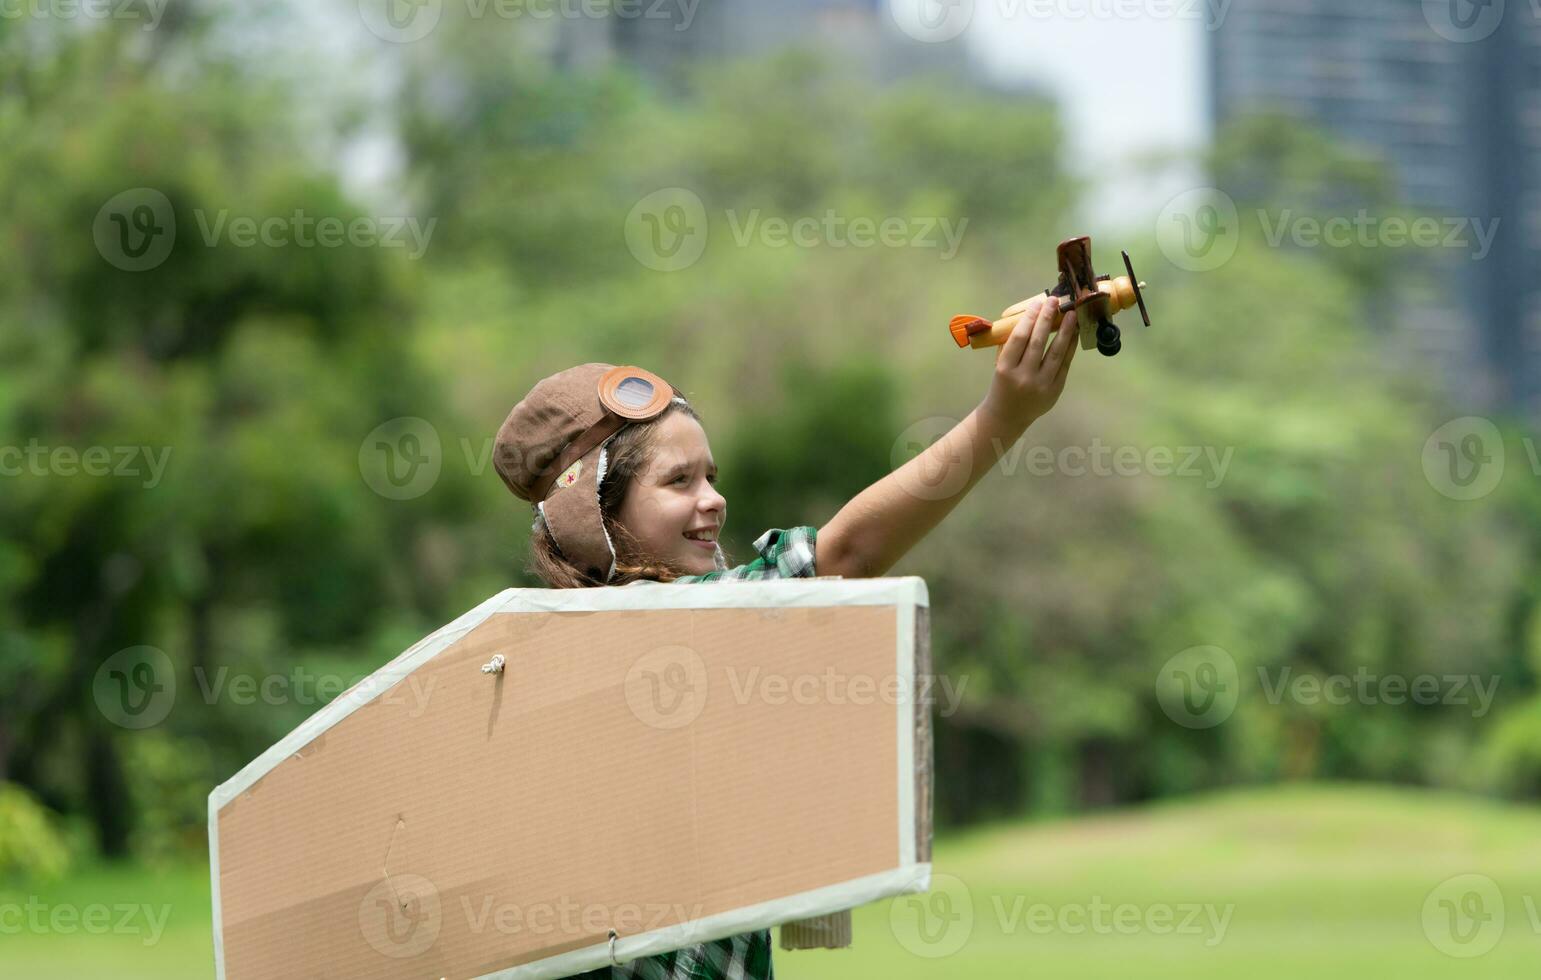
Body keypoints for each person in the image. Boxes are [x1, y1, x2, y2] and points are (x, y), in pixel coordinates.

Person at [490, 294, 1079, 978]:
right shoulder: (656, 633)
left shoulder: (538, 655)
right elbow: (847, 554)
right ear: (597, 515)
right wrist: (1002, 417)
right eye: (677, 481)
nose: (711, 498)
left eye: (710, 475)